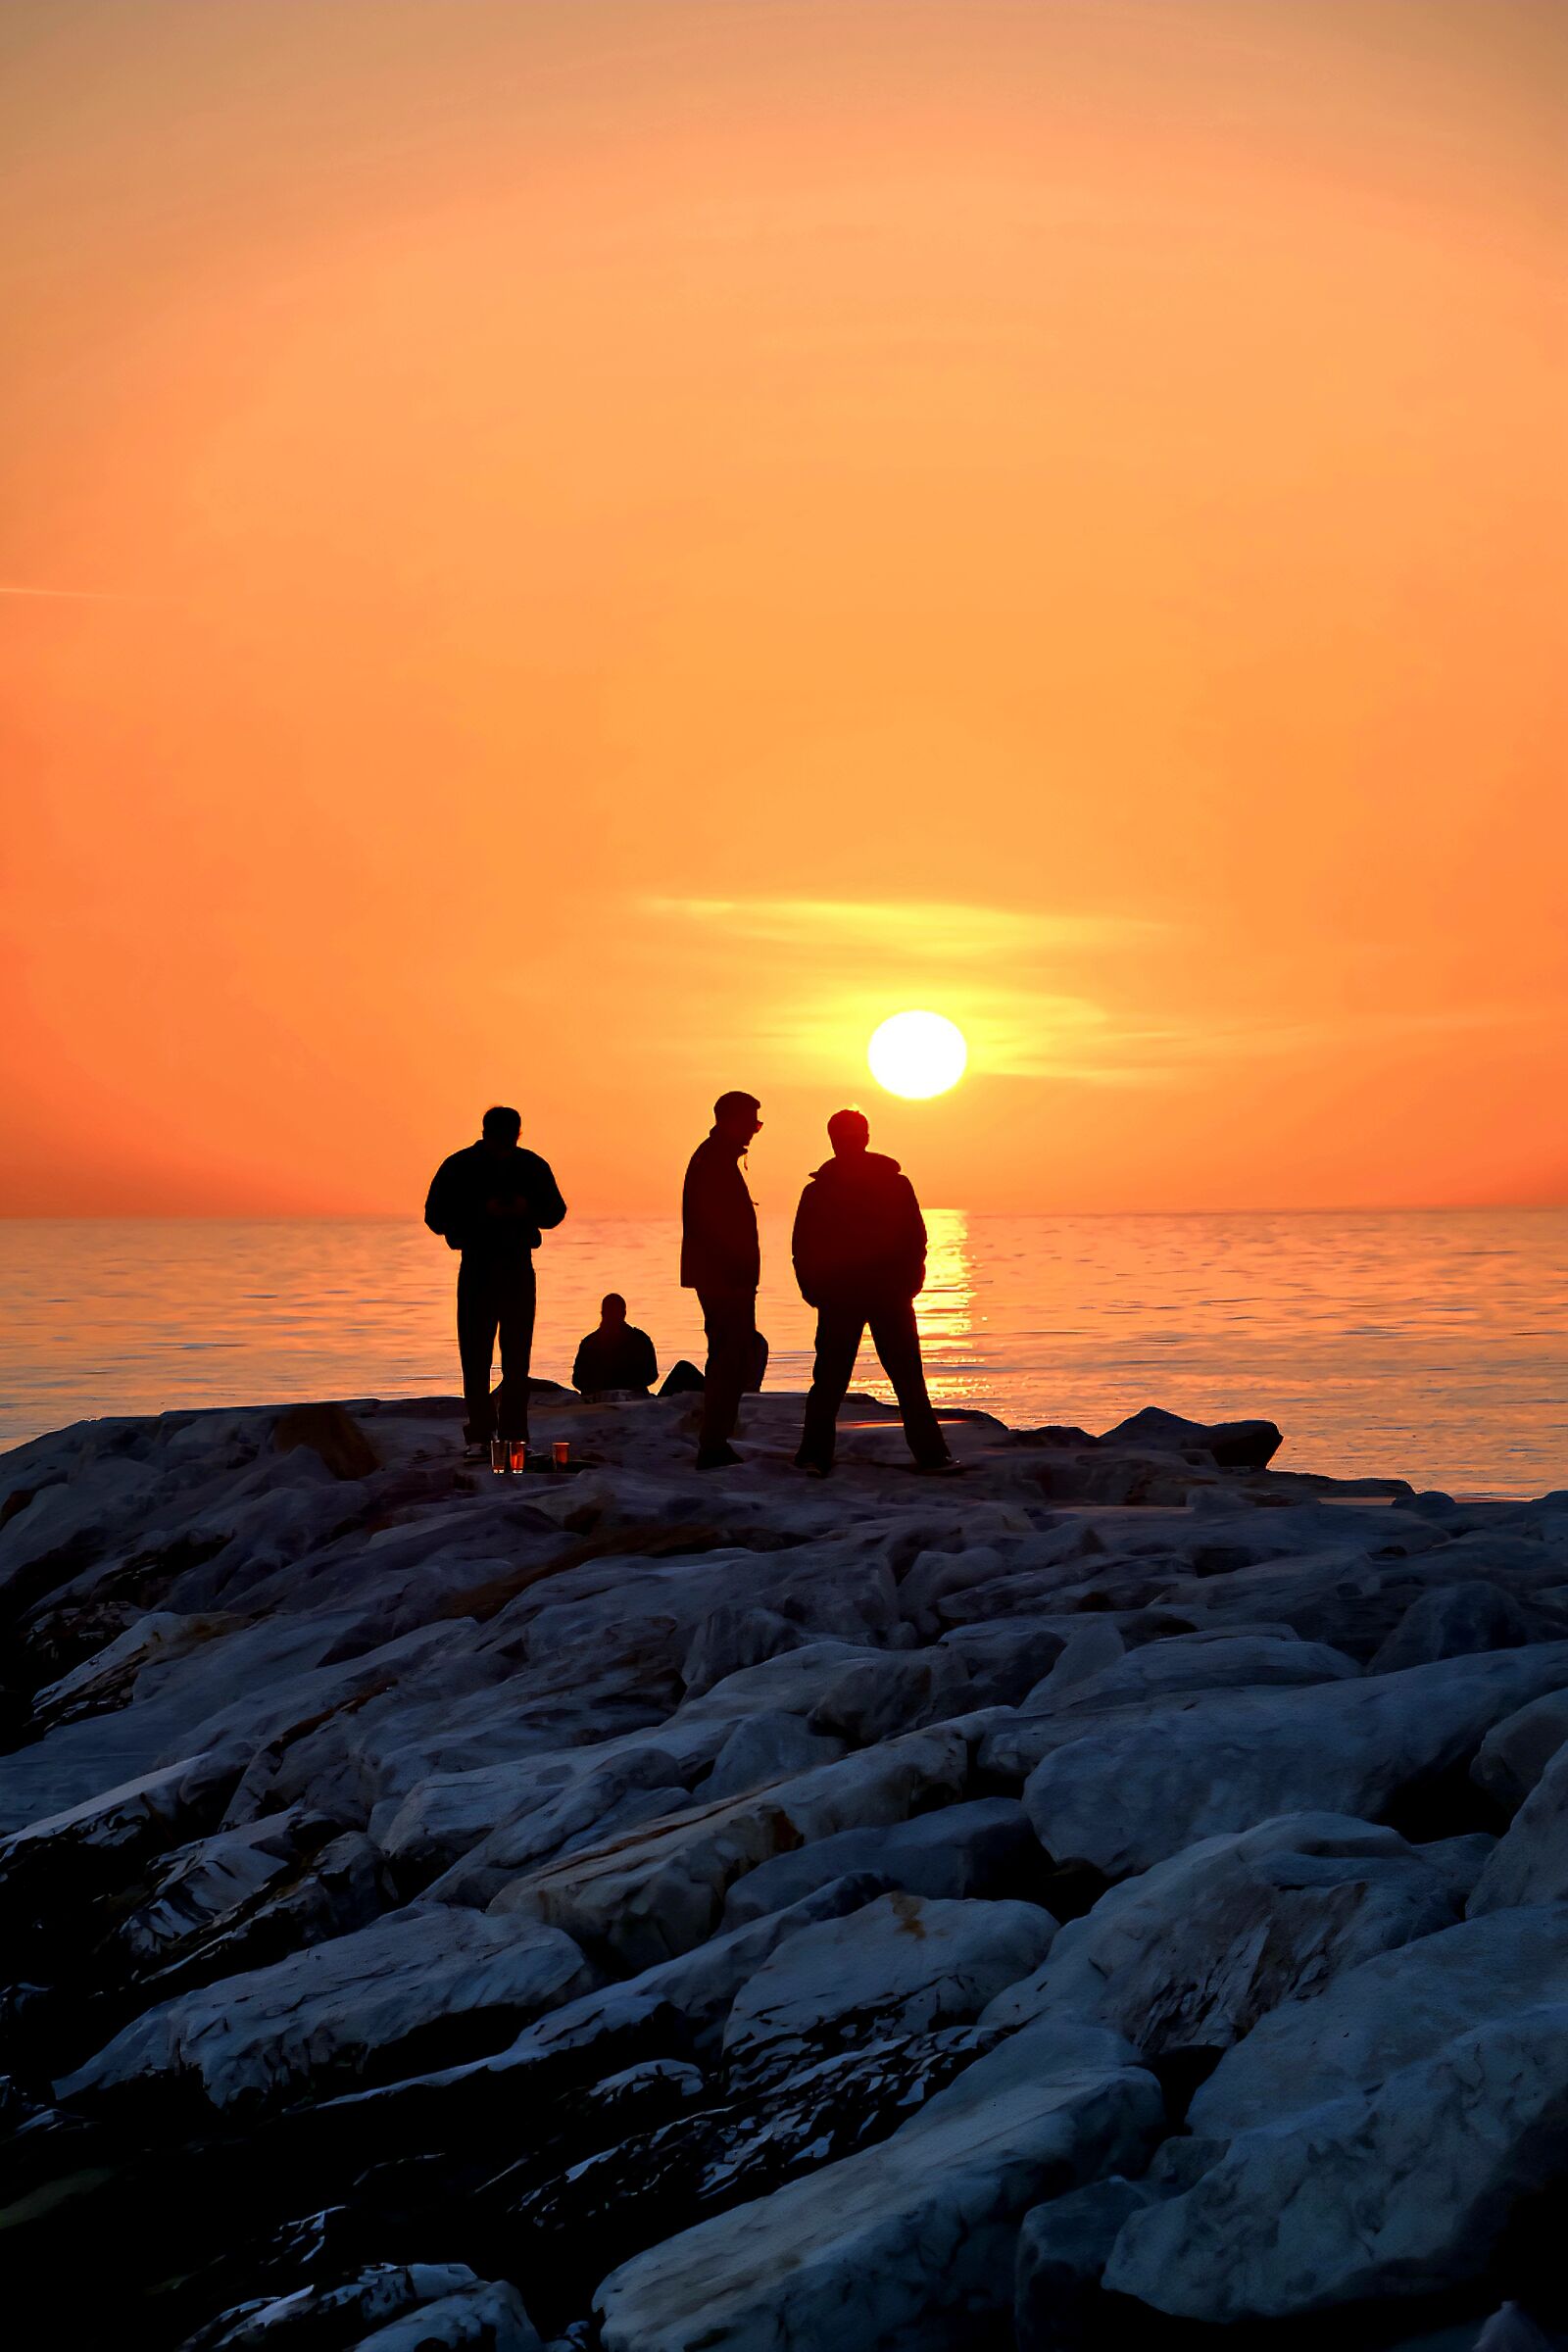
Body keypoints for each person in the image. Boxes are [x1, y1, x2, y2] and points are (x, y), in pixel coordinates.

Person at [791, 1106, 958, 1477]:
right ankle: (816, 1456)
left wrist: (910, 1281)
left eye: (852, 1136)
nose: (849, 1143)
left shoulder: (893, 1185)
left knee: (899, 1379)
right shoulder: (821, 1190)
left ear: (864, 1138)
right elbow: (804, 1246)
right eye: (844, 1137)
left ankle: (930, 1455)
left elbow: (915, 1238)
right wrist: (814, 1289)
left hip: (884, 1294)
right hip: (849, 1296)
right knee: (839, 1380)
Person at [423, 1105, 566, 1460]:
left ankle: (514, 1438)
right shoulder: (460, 1166)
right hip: (478, 1266)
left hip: (517, 1266)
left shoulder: (531, 1166)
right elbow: (435, 1217)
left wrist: (524, 1209)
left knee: (516, 1360)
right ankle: (481, 1437)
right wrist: (481, 1213)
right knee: (477, 1357)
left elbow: (556, 1212)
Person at [680, 1090, 762, 1468]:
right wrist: (738, 1273)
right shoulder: (713, 1161)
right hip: (724, 1278)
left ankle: (716, 1440)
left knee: (733, 1354)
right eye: (752, 1123)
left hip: (723, 1275)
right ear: (731, 1120)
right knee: (730, 1356)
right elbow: (715, 1227)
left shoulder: (715, 1158)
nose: (755, 1131)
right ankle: (713, 1443)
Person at [572, 1294, 659, 1399]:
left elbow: (577, 1381)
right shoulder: (640, 1339)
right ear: (624, 1313)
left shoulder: (589, 1342)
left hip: (614, 1398)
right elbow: (651, 1376)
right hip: (630, 1399)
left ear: (602, 1313)